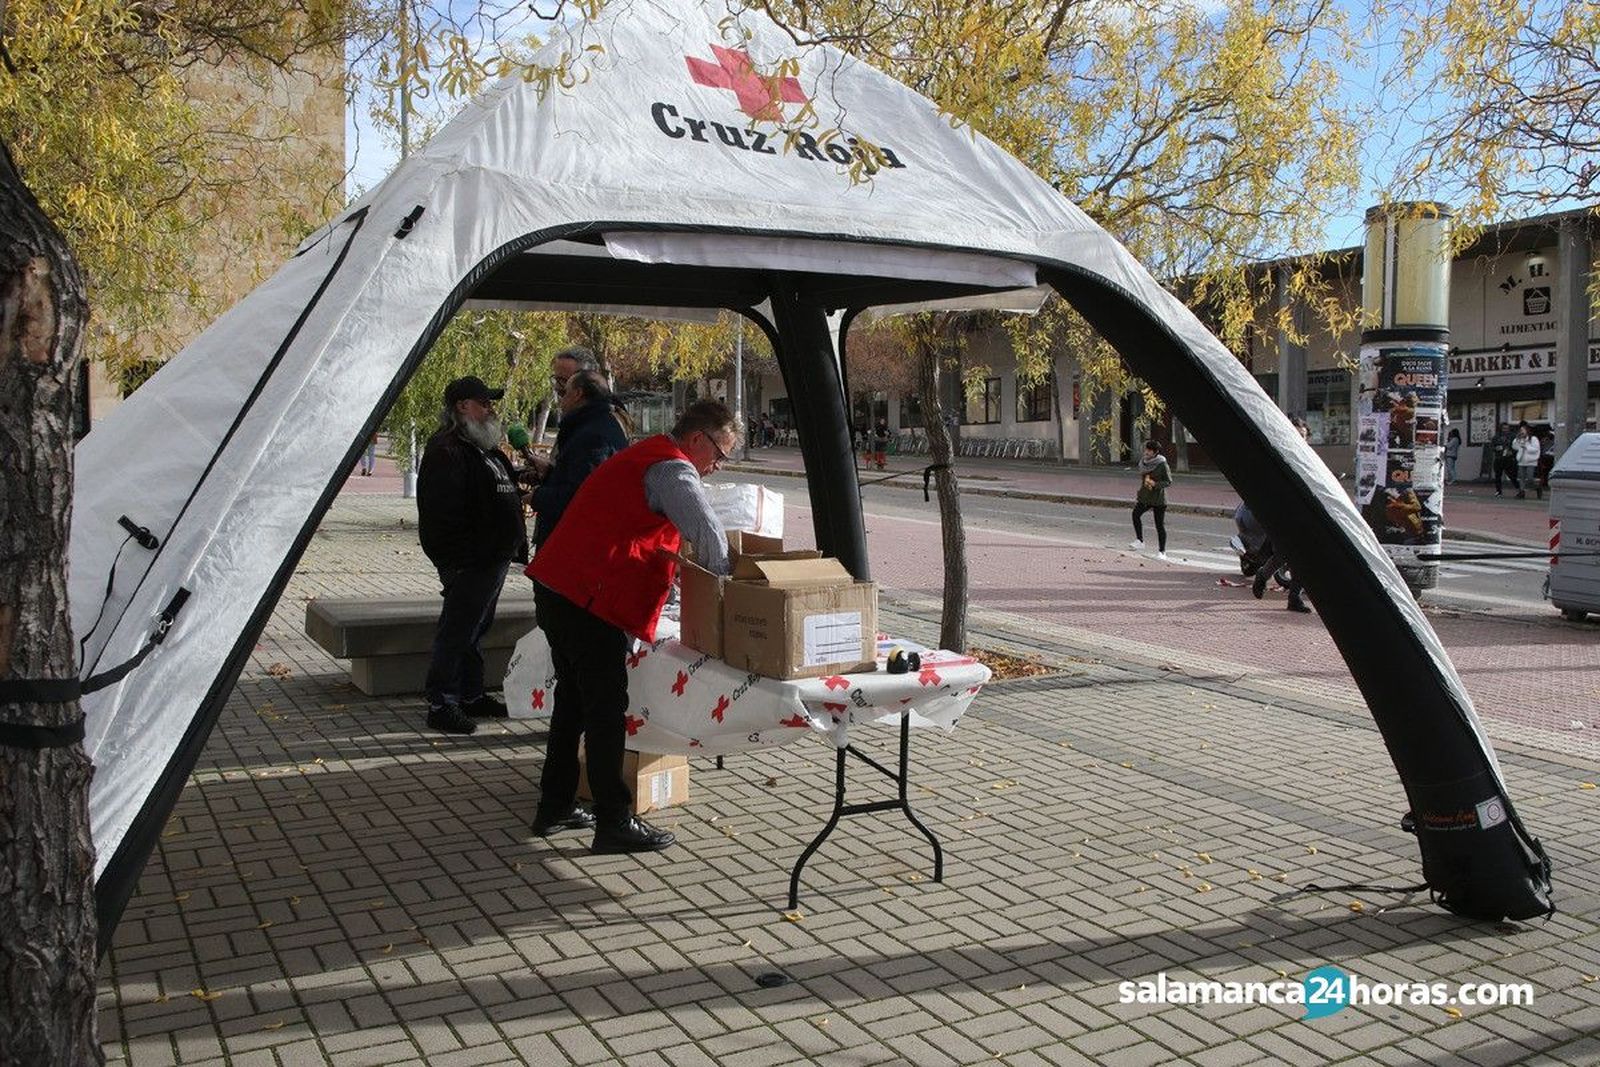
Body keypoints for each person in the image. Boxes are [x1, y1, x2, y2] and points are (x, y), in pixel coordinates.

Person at [526, 401, 737, 852]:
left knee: (572, 703)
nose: (718, 465)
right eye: (720, 453)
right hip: (586, 599)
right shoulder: (673, 470)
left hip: (560, 586)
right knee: (604, 712)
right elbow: (709, 534)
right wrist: (729, 596)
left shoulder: (647, 454)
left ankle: (556, 804)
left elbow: (643, 536)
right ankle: (614, 822)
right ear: (698, 438)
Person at [416, 375, 528, 735]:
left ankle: (470, 694)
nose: (490, 409)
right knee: (457, 631)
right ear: (463, 406)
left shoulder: (482, 448)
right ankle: (442, 703)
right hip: (469, 561)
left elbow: (500, 487)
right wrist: (457, 561)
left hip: (491, 558)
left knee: (475, 630)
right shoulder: (446, 450)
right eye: (484, 402)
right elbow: (440, 514)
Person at [524, 369, 630, 550]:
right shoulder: (598, 424)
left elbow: (581, 496)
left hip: (576, 546)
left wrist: (537, 497)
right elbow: (579, 476)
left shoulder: (593, 434)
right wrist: (550, 472)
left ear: (578, 394)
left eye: (565, 392)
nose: (561, 400)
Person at [1129, 440, 1171, 560]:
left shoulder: (1162, 464)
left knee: (1159, 525)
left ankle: (1162, 552)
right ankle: (1140, 541)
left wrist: (1155, 484)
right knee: (1135, 514)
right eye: (1145, 449)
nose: (1146, 452)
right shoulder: (1144, 462)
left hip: (1158, 499)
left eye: (1149, 450)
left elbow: (1168, 481)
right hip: (1145, 496)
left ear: (1155, 452)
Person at [1490, 422, 1519, 496]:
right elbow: (1492, 446)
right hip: (1499, 458)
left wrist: (1512, 452)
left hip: (1508, 458)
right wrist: (1496, 448)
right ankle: (1498, 491)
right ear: (1501, 428)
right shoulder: (1496, 437)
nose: (1505, 430)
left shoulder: (1512, 436)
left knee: (1512, 475)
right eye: (1504, 428)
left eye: (1507, 428)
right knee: (1498, 475)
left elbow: (1517, 446)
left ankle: (1519, 489)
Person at [1513, 422, 1541, 499]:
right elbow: (1515, 447)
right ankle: (1522, 492)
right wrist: (1517, 440)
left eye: (1523, 430)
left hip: (1531, 461)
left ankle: (1537, 487)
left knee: (1530, 477)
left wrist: (1526, 446)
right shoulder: (1520, 439)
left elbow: (1536, 449)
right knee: (1521, 477)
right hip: (1521, 460)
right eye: (1521, 430)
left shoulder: (1533, 439)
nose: (1521, 432)